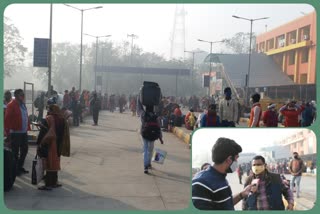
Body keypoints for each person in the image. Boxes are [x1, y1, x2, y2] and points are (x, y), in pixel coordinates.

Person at [192, 137, 252, 210]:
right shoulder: (201, 184)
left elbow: (224, 205)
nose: (237, 161)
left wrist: (241, 195)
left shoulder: (220, 177)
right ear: (229, 159)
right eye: (236, 158)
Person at [37, 103, 67, 190]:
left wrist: (39, 143)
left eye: (49, 109)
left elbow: (44, 132)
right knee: (56, 162)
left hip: (50, 144)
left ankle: (48, 184)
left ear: (51, 110)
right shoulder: (62, 119)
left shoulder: (49, 118)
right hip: (59, 144)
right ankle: (54, 182)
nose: (48, 111)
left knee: (49, 163)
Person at [4, 89, 31, 176]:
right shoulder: (11, 105)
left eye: (23, 95)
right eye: (21, 95)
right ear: (16, 96)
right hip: (15, 132)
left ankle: (19, 167)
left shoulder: (23, 105)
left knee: (25, 150)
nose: (23, 96)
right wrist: (7, 133)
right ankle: (15, 169)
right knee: (15, 152)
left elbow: (25, 116)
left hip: (23, 132)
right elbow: (7, 119)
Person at [137, 100, 164, 174]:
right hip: (152, 135)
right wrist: (161, 138)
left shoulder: (143, 114)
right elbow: (159, 127)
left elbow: (139, 108)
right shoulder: (156, 116)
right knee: (151, 149)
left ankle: (145, 166)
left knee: (145, 149)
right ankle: (149, 163)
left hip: (144, 133)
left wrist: (139, 100)